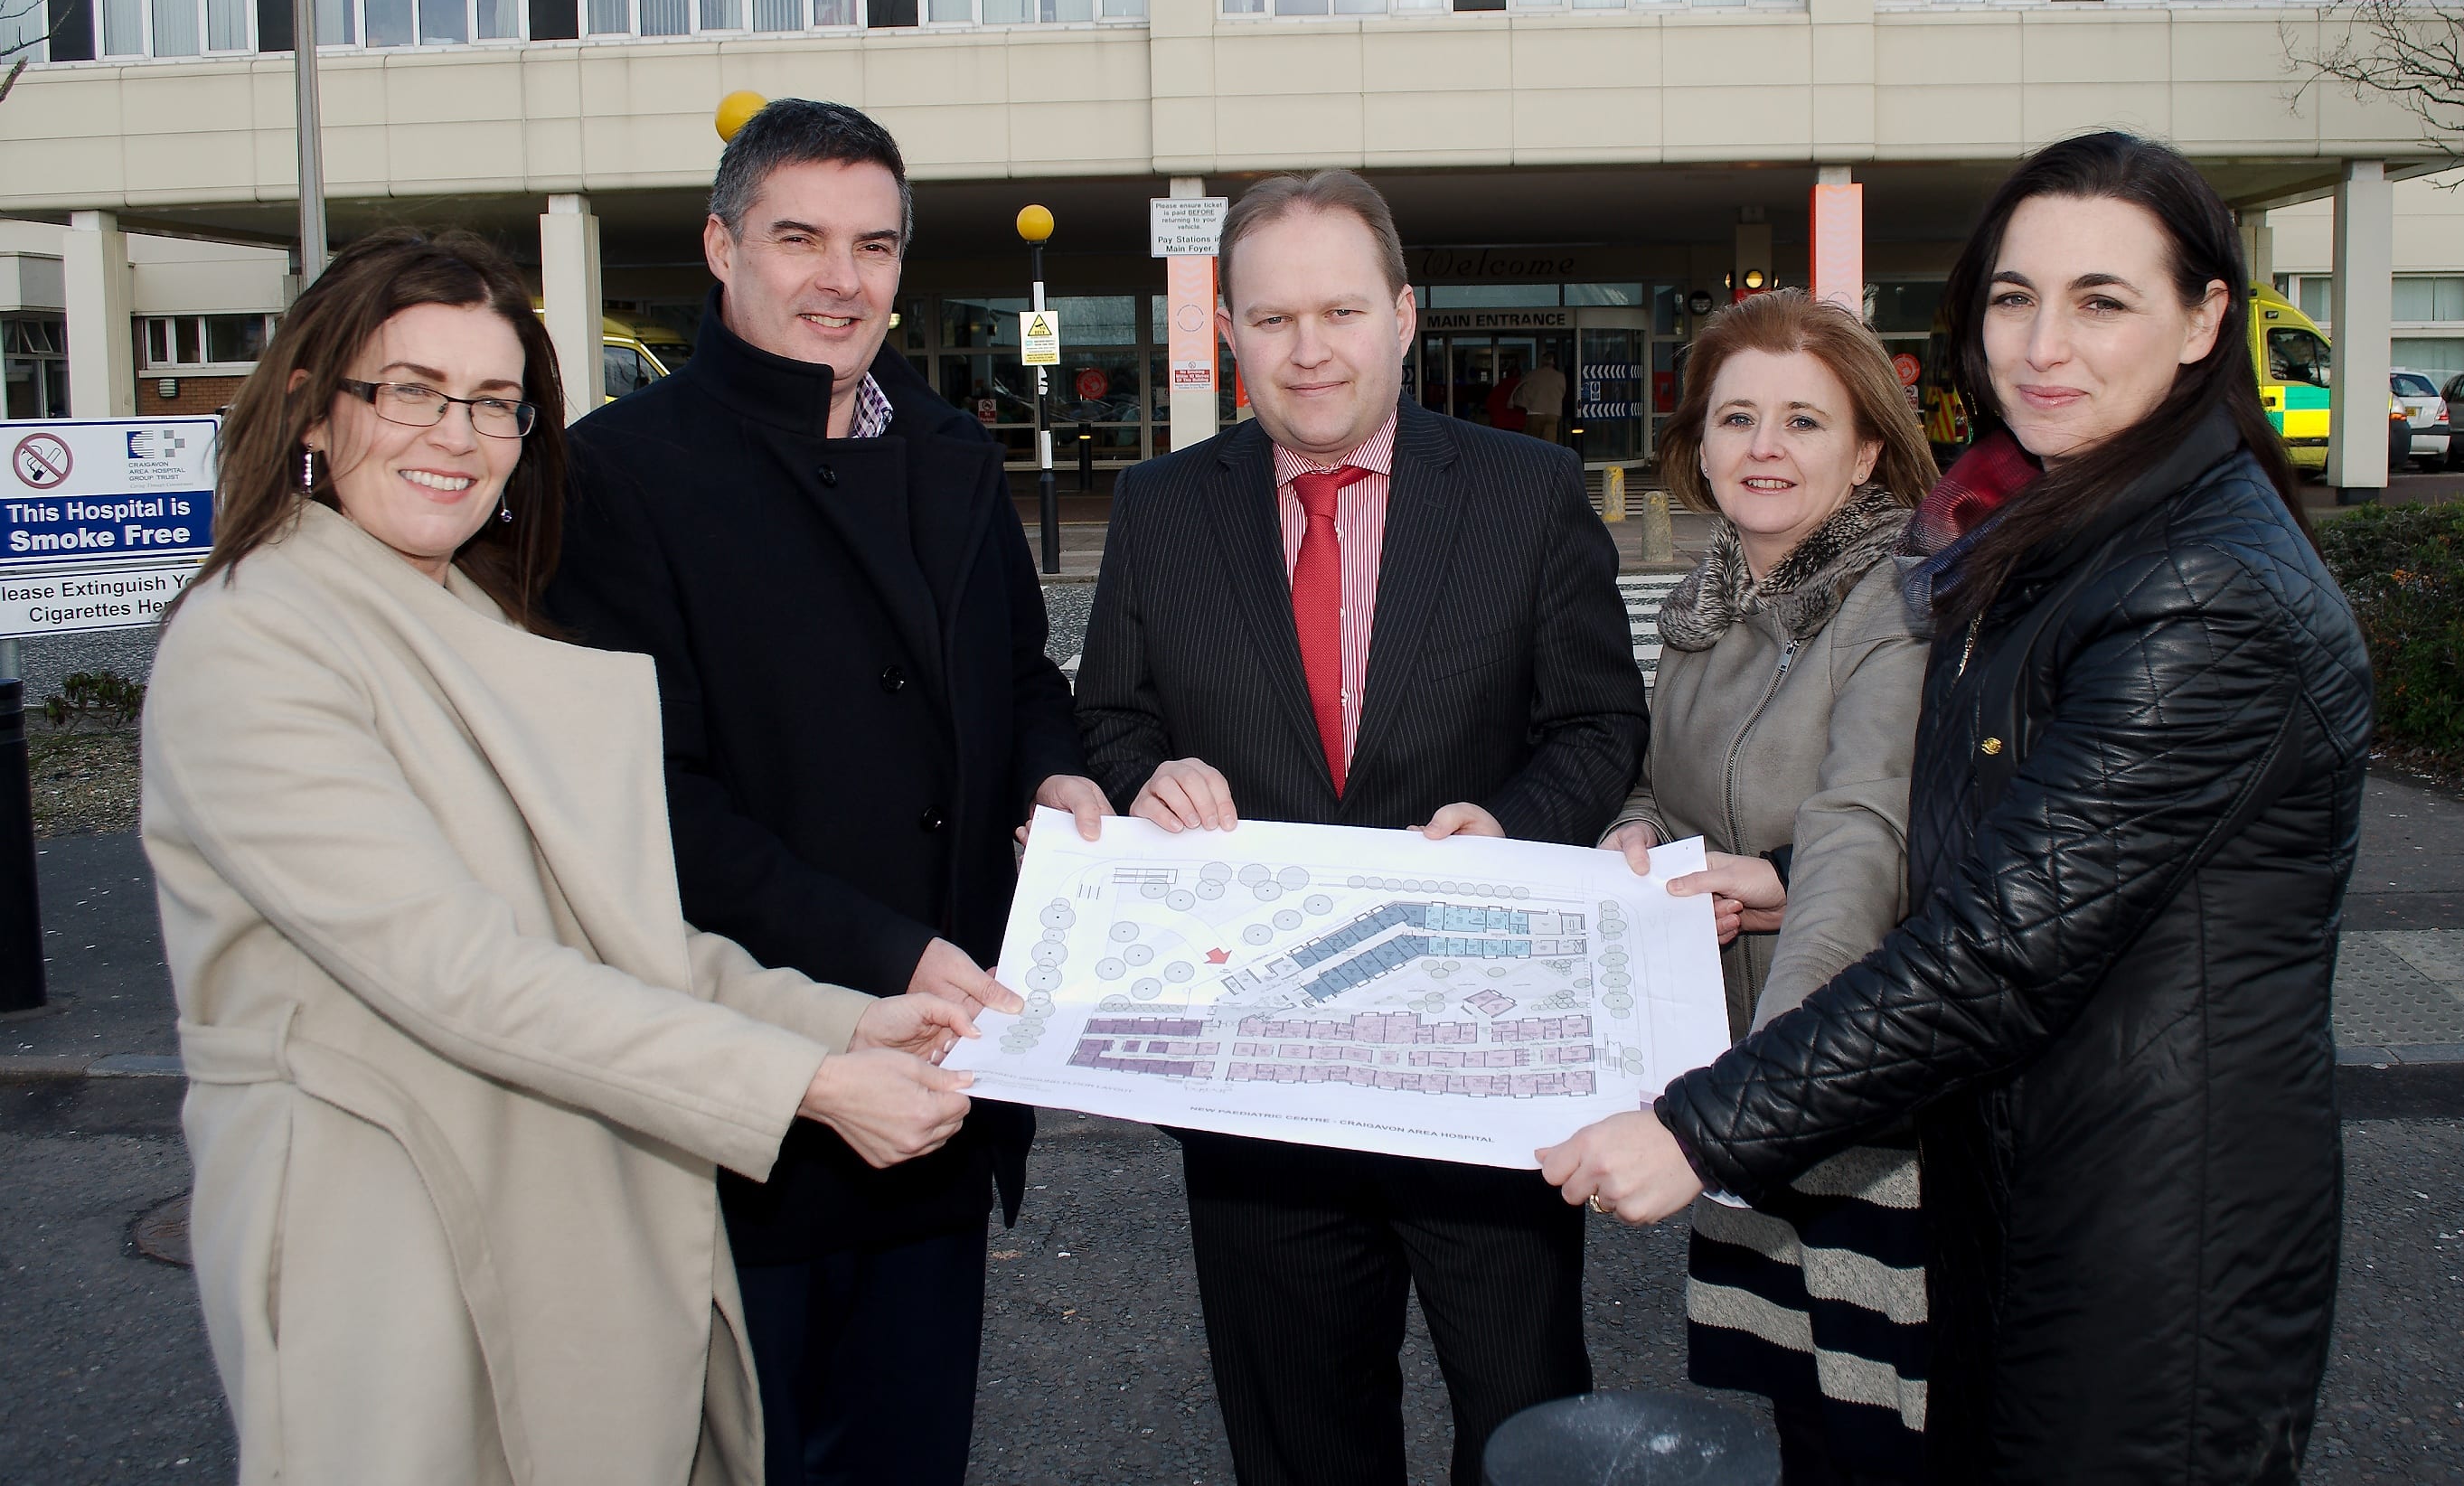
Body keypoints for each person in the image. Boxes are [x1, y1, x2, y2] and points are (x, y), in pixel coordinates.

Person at [1541, 131, 2375, 1484]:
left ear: (2204, 316)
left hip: (2144, 1222)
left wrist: (1700, 1129)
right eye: (2012, 298)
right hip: (2025, 1168)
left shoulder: (2199, 594)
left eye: (2102, 300)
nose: (2045, 344)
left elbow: (1999, 947)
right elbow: (2008, 842)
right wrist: (1782, 869)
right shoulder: (2058, 535)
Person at [143, 230, 983, 1483]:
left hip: (557, 1190)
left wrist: (837, 1024)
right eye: (409, 391)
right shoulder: (253, 639)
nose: (456, 437)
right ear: (318, 411)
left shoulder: (464, 609)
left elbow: (609, 926)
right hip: (384, 1228)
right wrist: (799, 1086)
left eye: (495, 404)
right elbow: (460, 969)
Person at [544, 99, 1108, 1486]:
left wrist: (1060, 775)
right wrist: (880, 956)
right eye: (799, 238)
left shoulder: (952, 447)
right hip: (756, 1084)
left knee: (913, 1448)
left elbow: (1020, 675)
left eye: (873, 244)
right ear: (722, 247)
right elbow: (650, 807)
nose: (839, 279)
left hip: (946, 1075)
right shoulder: (620, 475)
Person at [1074, 168, 1649, 1486]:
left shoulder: (1527, 491)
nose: (1309, 348)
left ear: (1404, 314)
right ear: (1229, 333)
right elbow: (1106, 719)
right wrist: (1150, 773)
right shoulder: (1162, 510)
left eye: (1340, 309)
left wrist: (1513, 822)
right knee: (1299, 1437)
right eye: (1273, 319)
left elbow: (1601, 726)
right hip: (1254, 1086)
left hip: (1479, 1067)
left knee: (1525, 1426)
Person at [1598, 291, 1937, 1483]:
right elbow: (1657, 784)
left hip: (1847, 1075)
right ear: (1696, 448)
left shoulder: (1901, 603)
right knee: (1795, 1410)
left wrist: (1775, 1085)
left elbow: (1872, 829)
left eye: (1803, 420)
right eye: (1736, 418)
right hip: (1732, 1051)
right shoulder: (1702, 610)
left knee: (1879, 1422)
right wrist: (1634, 839)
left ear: (1866, 453)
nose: (1764, 448)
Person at [1511, 353, 1568, 443]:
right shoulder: (1560, 377)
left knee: (1533, 442)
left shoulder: (1532, 374)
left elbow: (1521, 389)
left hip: (1534, 411)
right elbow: (1563, 392)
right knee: (1550, 443)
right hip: (1553, 412)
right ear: (1554, 362)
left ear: (1542, 361)